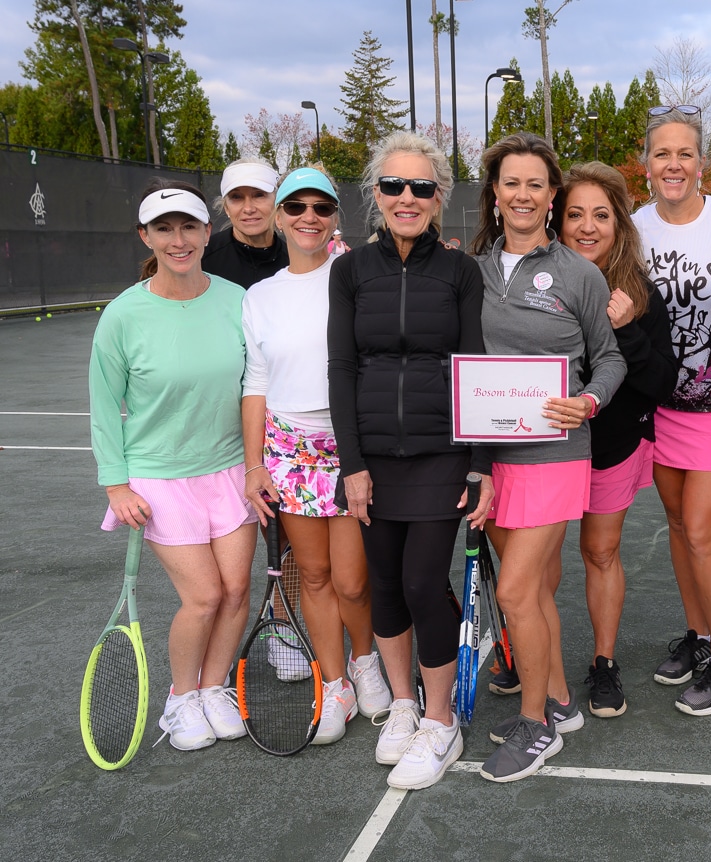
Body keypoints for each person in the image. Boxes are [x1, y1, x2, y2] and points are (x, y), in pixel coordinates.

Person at [327, 132, 492, 789]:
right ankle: (402, 705)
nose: (407, 197)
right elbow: (342, 368)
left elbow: (475, 365)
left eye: (421, 187)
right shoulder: (349, 272)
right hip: (372, 459)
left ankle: (441, 721)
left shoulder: (459, 272)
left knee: (424, 584)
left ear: (439, 196)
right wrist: (352, 464)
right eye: (394, 185)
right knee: (386, 585)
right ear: (376, 194)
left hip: (441, 456)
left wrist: (480, 463)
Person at [468, 133, 626, 782]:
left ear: (551, 195)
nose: (523, 195)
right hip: (490, 458)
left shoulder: (579, 274)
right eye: (512, 183)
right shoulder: (471, 270)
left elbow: (610, 359)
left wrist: (588, 401)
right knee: (530, 591)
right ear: (495, 193)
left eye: (536, 184)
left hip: (555, 454)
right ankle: (559, 699)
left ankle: (536, 726)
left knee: (513, 591)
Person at [89, 180, 257, 751]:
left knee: (236, 590)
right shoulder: (122, 315)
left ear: (208, 233)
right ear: (146, 237)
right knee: (204, 596)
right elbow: (103, 404)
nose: (178, 239)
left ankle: (213, 688)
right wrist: (116, 485)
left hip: (230, 469)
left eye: (188, 226)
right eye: (164, 229)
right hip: (158, 476)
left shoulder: (237, 300)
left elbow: (256, 385)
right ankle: (180, 699)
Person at [241, 167, 391, 747]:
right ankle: (334, 686)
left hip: (351, 447)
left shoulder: (356, 276)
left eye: (321, 207)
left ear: (335, 219)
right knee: (316, 576)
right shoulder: (259, 296)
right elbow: (256, 382)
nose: (309, 217)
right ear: (279, 218)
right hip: (289, 452)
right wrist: (256, 465)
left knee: (353, 581)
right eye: (296, 207)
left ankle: (364, 660)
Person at [631, 105, 711, 715]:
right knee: (680, 525)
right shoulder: (633, 228)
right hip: (661, 407)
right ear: (646, 165)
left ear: (703, 163)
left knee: (703, 529)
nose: (674, 164)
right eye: (663, 153)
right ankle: (699, 635)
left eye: (685, 153)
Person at [558, 162, 679, 718]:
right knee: (536, 563)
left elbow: (661, 384)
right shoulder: (535, 285)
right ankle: (526, 655)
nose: (588, 226)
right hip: (543, 446)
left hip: (613, 444)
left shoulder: (640, 293)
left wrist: (627, 328)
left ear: (619, 224)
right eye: (575, 214)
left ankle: (603, 662)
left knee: (600, 551)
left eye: (601, 215)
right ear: (558, 221)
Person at [204, 158, 290, 288]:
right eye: (236, 197)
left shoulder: (294, 261)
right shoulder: (201, 259)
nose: (248, 209)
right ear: (226, 207)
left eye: (259, 195)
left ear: (277, 201)